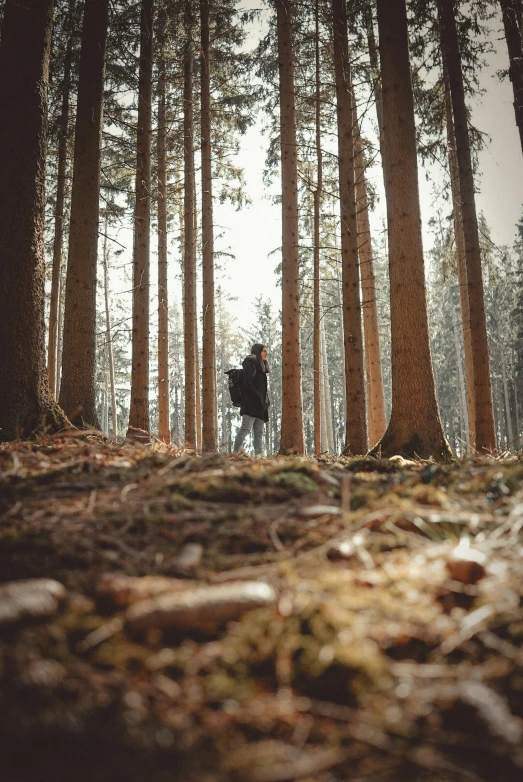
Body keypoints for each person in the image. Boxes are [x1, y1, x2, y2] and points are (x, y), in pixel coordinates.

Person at [233, 343, 270, 455]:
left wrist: (265, 401)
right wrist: (257, 396)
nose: (266, 353)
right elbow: (247, 383)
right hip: (251, 403)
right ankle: (235, 454)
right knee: (245, 429)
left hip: (261, 405)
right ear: (258, 351)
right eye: (264, 351)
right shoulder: (250, 362)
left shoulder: (262, 366)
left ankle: (259, 456)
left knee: (259, 432)